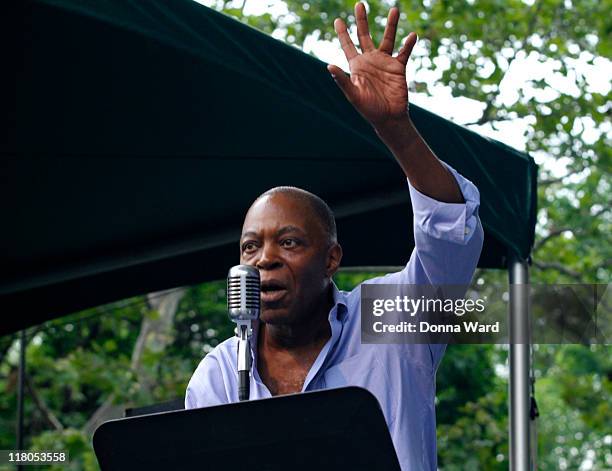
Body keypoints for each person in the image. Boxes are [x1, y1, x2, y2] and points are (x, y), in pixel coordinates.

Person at [186, 3, 484, 469]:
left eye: (288, 243)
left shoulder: (392, 323)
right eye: (250, 246)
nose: (264, 259)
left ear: (331, 259)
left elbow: (448, 232)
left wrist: (395, 129)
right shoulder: (220, 374)